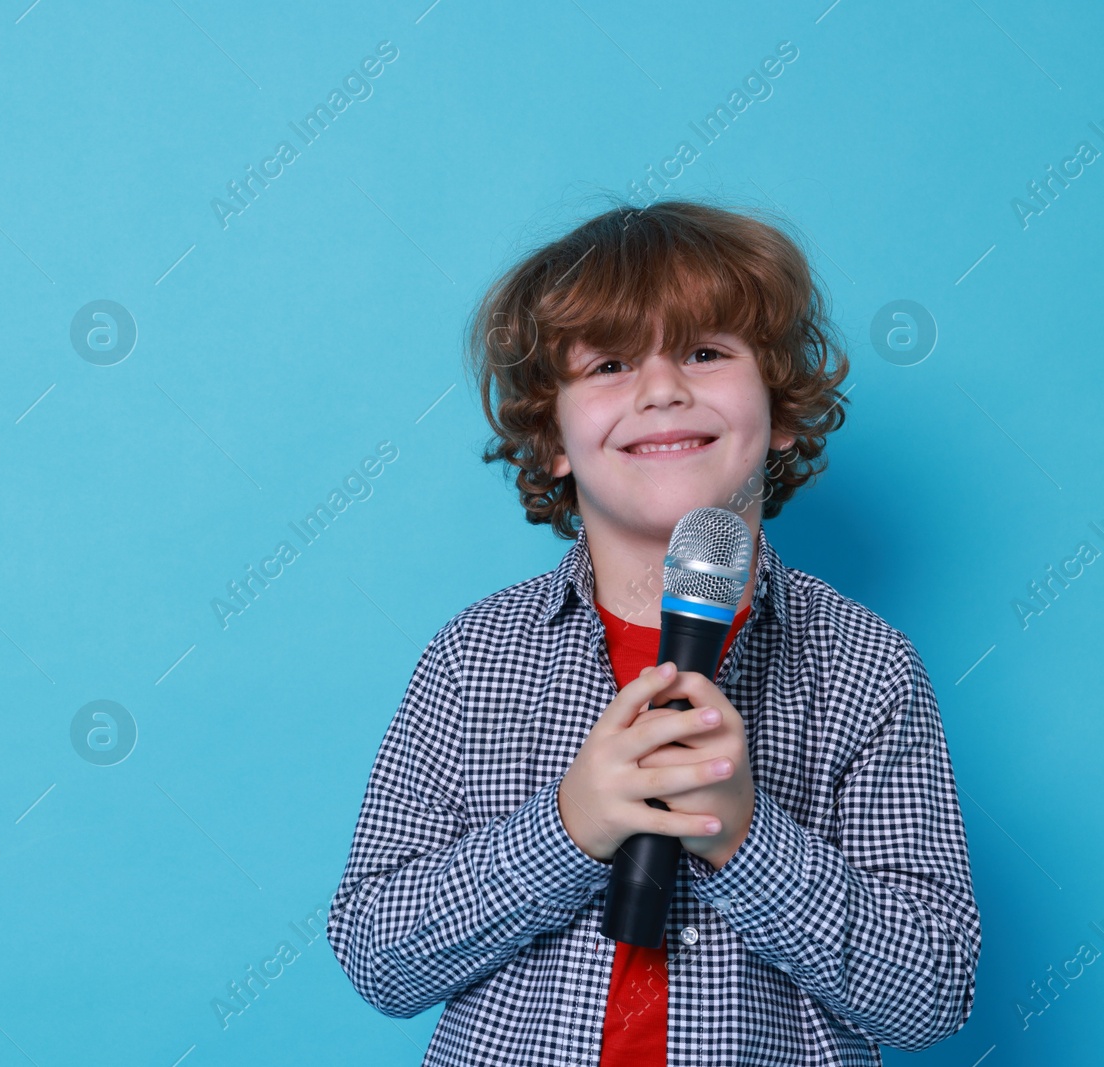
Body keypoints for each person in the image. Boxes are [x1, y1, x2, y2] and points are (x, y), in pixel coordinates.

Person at [325, 199, 980, 1065]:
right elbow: (379, 958)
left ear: (780, 409)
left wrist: (746, 838)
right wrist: (566, 828)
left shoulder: (866, 665)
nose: (662, 389)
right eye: (609, 363)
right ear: (551, 435)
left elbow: (931, 994)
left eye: (706, 352)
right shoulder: (472, 658)